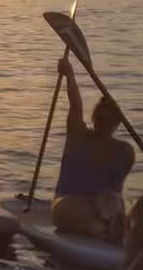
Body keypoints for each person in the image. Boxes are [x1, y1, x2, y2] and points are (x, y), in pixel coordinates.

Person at [49, 55, 136, 241]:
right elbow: (75, 106)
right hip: (70, 203)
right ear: (94, 118)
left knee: (113, 201)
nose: (104, 124)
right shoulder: (78, 137)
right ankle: (103, 232)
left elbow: (115, 192)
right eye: (100, 119)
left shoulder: (125, 152)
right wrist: (69, 75)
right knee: (77, 209)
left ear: (118, 122)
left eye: (109, 120)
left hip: (103, 207)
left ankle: (114, 229)